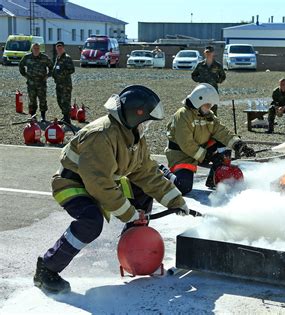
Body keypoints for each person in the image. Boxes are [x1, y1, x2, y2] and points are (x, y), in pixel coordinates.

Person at [33, 85, 190, 294]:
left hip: (99, 184)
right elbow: (99, 183)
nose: (147, 127)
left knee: (141, 192)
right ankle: (47, 270)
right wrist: (129, 213)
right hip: (72, 184)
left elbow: (147, 173)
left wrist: (175, 200)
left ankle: (133, 252)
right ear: (135, 116)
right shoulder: (101, 135)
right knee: (91, 222)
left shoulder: (133, 137)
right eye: (146, 121)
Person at [160, 83, 255, 193]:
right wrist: (208, 156)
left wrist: (240, 146)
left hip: (200, 151)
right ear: (198, 101)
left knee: (221, 141)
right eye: (207, 105)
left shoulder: (209, 116)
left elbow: (223, 132)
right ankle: (163, 172)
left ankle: (214, 177)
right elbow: (186, 144)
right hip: (182, 154)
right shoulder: (182, 115)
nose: (209, 108)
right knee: (184, 187)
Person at [19, 43, 53, 122]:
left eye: (38, 48)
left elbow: (52, 67)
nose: (36, 49)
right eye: (35, 48)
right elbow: (21, 65)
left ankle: (43, 116)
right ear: (32, 49)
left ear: (40, 49)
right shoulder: (27, 57)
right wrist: (25, 75)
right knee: (32, 100)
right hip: (31, 83)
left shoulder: (44, 58)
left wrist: (48, 76)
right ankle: (33, 116)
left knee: (43, 100)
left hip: (42, 83)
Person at [191, 46, 226, 114]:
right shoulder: (200, 65)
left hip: (213, 90)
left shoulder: (217, 65)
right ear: (204, 53)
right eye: (207, 53)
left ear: (213, 53)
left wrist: (216, 80)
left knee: (213, 109)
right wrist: (200, 79)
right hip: (202, 90)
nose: (208, 54)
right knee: (201, 109)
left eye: (210, 52)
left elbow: (223, 76)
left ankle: (213, 123)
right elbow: (193, 75)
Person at [52, 41, 75, 124]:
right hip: (59, 84)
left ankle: (67, 119)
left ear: (63, 48)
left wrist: (61, 74)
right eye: (58, 47)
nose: (59, 49)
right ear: (56, 48)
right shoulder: (58, 58)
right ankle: (65, 116)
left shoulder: (67, 58)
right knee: (59, 100)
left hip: (66, 85)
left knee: (65, 101)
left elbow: (72, 69)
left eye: (61, 47)